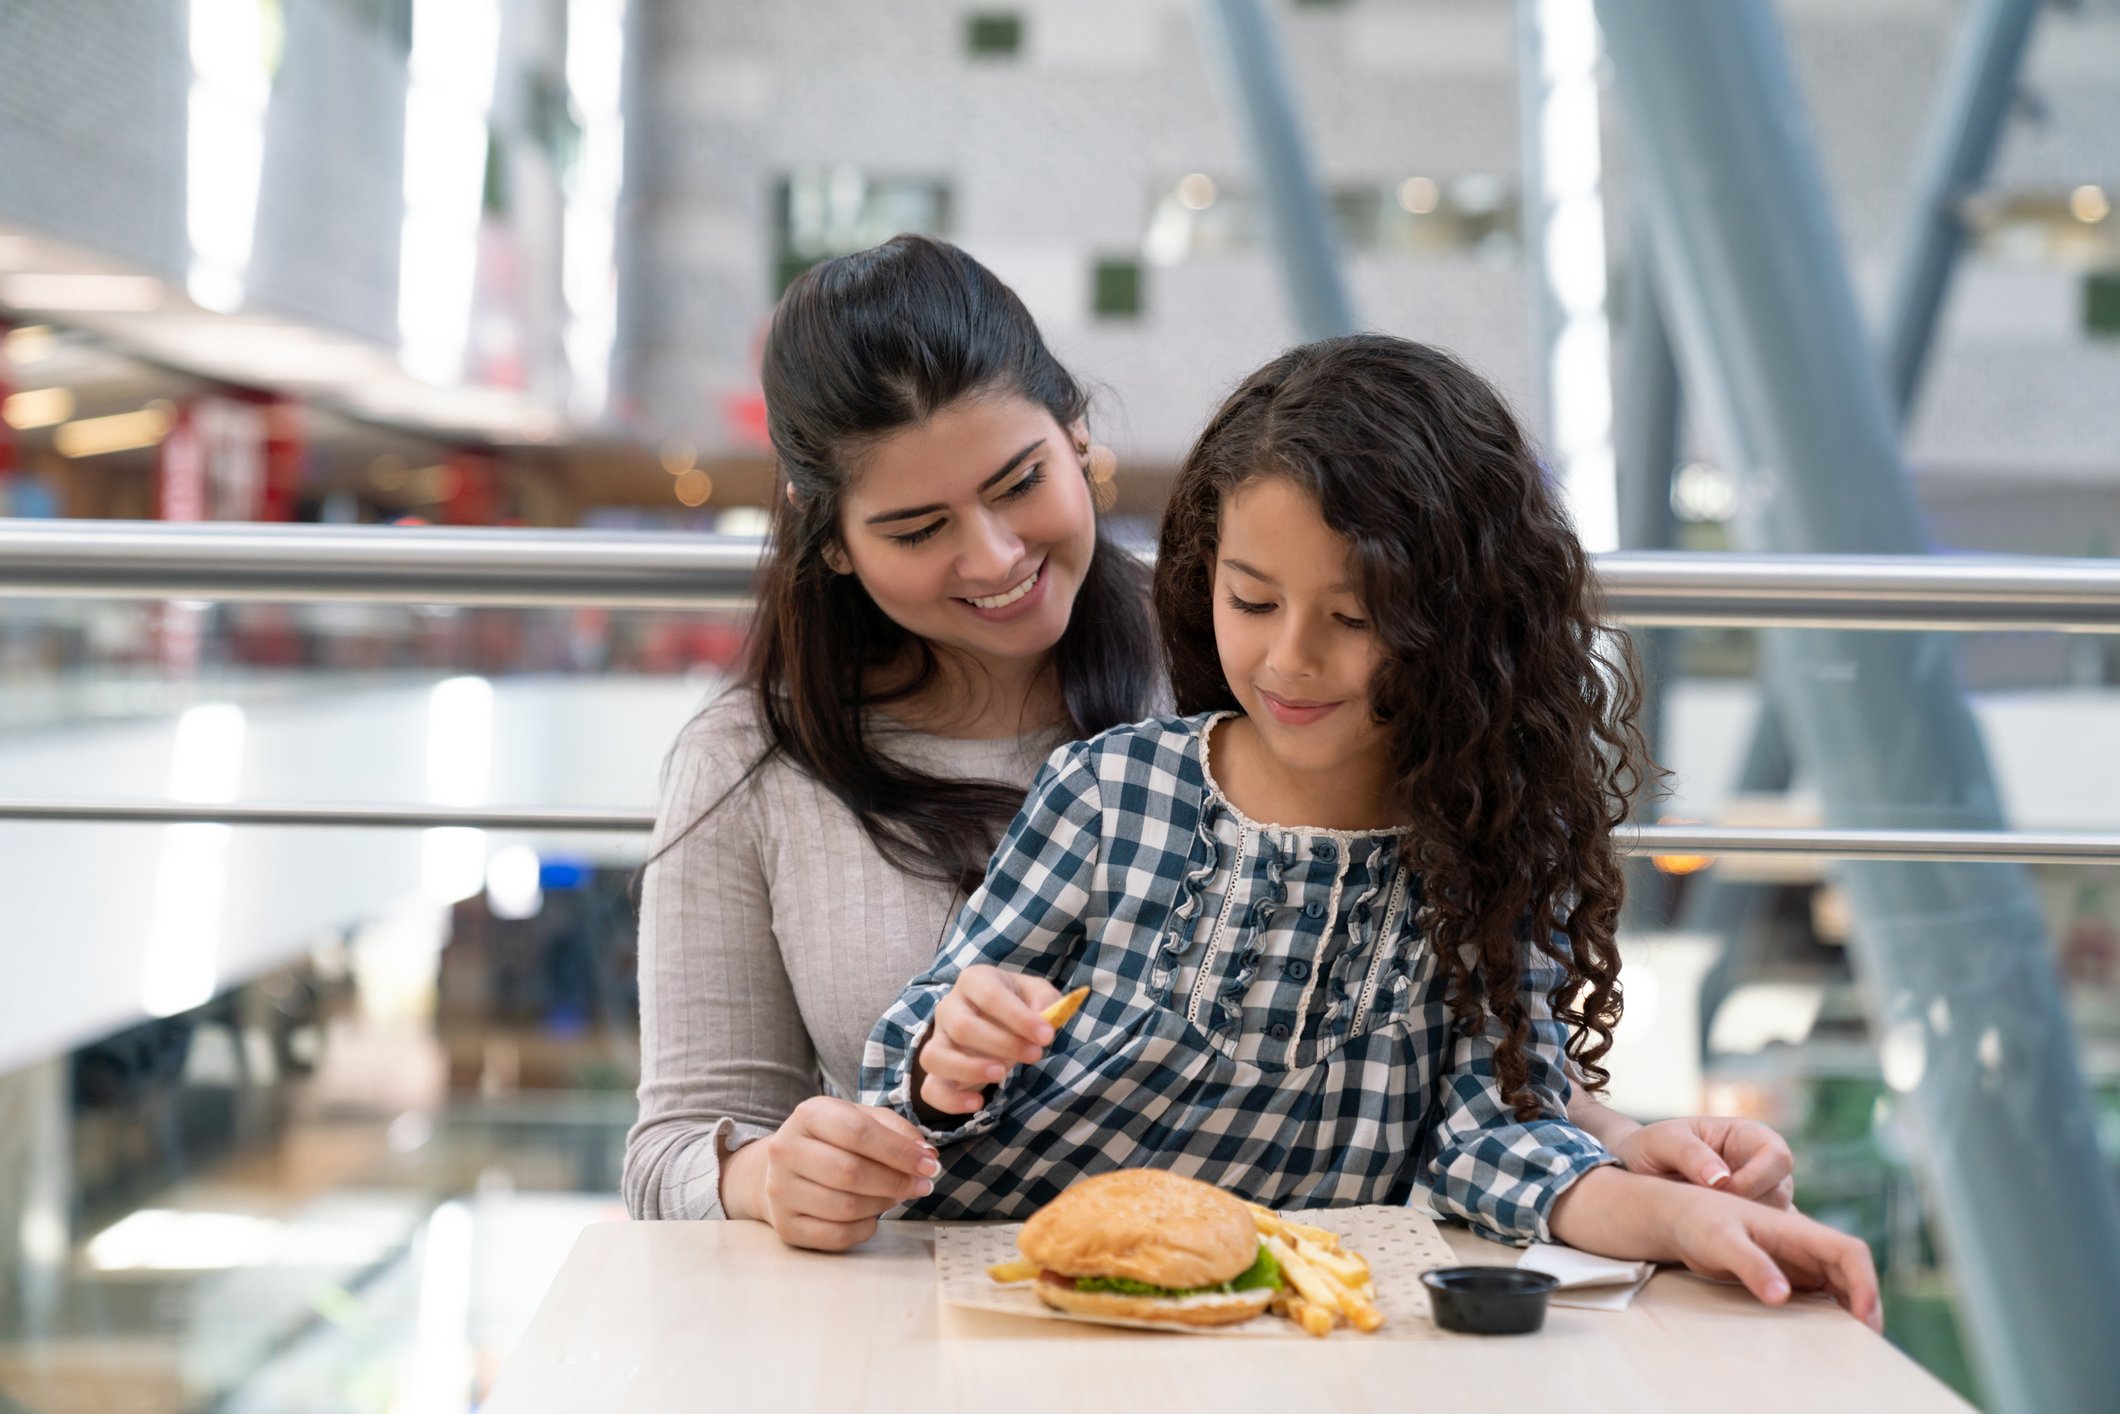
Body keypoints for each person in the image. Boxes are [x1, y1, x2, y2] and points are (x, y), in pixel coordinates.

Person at [626, 236, 1795, 1253]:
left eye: (1017, 482)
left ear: (1077, 438)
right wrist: (768, 1175)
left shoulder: (1261, 670)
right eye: (916, 527)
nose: (988, 557)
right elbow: (676, 1140)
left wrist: (1644, 1158)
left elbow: (1457, 1075)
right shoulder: (753, 762)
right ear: (831, 542)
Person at [860, 334, 1878, 1328]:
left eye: (1351, 619)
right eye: (1251, 599)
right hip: (1009, 1293)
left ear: (1463, 625)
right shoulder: (1108, 789)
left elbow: (1495, 1143)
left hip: (1290, 1346)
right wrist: (950, 1058)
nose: (1290, 660)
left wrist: (1685, 1215)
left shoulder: (1489, 859)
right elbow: (905, 1070)